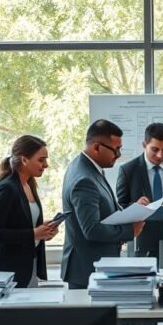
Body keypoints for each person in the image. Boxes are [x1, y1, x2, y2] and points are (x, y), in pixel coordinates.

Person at [61, 120, 145, 289]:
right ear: (96, 147)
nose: (119, 154)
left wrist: (132, 210)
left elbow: (104, 209)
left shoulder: (89, 168)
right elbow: (91, 229)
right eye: (116, 149)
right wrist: (130, 231)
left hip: (95, 269)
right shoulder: (84, 179)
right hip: (88, 272)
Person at [0, 135, 60, 288]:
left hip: (29, 265)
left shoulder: (29, 185)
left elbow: (25, 223)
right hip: (7, 270)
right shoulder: (7, 187)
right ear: (24, 160)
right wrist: (34, 233)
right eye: (41, 159)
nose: (46, 165)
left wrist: (44, 230)